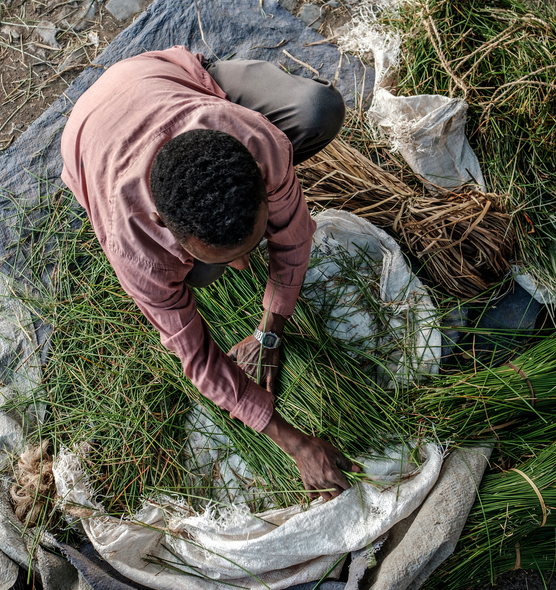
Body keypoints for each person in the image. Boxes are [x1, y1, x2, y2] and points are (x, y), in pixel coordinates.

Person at [60, 45, 358, 501]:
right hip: (89, 135)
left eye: (251, 245)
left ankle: (215, 78)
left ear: (258, 177)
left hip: (157, 77)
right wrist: (293, 442)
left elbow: (295, 237)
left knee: (321, 109)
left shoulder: (257, 143)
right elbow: (196, 358)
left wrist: (270, 331)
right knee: (199, 275)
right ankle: (206, 256)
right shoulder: (136, 249)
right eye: (228, 255)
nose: (244, 268)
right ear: (164, 225)